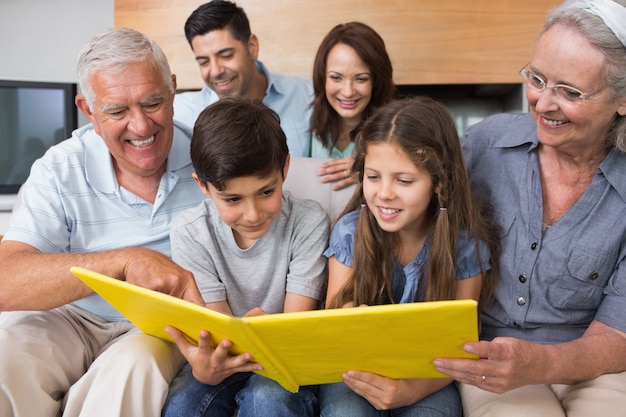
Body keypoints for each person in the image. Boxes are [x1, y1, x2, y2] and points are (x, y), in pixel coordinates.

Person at [432, 1, 626, 416]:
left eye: (570, 92)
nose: (542, 103)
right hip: (492, 356)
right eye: (537, 79)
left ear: (623, 100)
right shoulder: (485, 144)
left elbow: (618, 333)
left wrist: (542, 363)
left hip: (597, 362)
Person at [0, 28, 206, 417]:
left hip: (155, 327)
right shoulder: (59, 168)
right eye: (117, 111)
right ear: (88, 110)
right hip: (71, 316)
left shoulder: (210, 159)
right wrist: (124, 261)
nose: (141, 126)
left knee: (131, 370)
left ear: (173, 90)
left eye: (152, 102)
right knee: (5, 354)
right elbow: (5, 280)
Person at [319, 96, 499, 417]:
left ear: (439, 183)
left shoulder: (465, 244)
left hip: (428, 377)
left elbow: (461, 345)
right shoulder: (350, 232)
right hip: (355, 373)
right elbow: (337, 328)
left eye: (404, 180)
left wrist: (412, 389)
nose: (384, 193)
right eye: (373, 177)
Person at [161, 98, 330, 417]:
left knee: (266, 399)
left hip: (287, 358)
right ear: (204, 186)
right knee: (182, 405)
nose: (252, 214)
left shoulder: (308, 221)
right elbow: (219, 336)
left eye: (267, 192)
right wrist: (206, 367)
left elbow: (292, 331)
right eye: (233, 199)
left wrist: (252, 332)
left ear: (285, 169)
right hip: (228, 363)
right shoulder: (190, 232)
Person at [174, 0, 313, 158]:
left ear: (252, 47)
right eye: (203, 62)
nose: (215, 71)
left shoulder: (309, 95)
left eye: (226, 56)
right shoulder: (183, 114)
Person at [311, 21, 396, 192]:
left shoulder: (396, 128)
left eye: (361, 79)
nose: (348, 92)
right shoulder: (305, 122)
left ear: (376, 81)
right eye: (336, 77)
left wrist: (373, 170)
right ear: (322, 78)